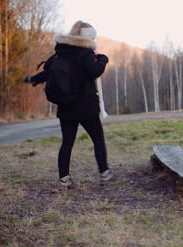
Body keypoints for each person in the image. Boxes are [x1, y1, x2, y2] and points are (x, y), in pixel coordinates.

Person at [25, 21, 113, 188]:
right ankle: (104, 173)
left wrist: (32, 80)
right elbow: (94, 71)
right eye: (93, 35)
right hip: (86, 106)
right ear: (86, 37)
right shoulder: (85, 53)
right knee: (98, 139)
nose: (95, 38)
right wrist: (103, 59)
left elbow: (47, 72)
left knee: (67, 143)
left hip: (65, 106)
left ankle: (64, 179)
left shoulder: (61, 51)